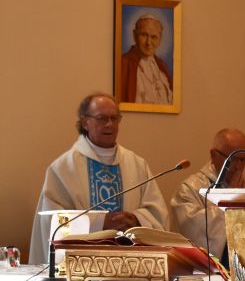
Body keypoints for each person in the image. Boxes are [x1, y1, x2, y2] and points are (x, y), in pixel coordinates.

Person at [28, 93, 172, 264]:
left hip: (131, 263)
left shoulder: (137, 164)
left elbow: (158, 214)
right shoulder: (63, 169)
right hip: (80, 266)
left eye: (114, 118)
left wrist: (136, 219)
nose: (109, 124)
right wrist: (99, 223)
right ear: (85, 122)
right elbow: (51, 222)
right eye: (102, 118)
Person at [169, 128, 245, 263]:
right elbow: (192, 230)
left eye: (243, 159)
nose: (238, 166)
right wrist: (231, 198)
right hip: (204, 270)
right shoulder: (189, 188)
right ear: (214, 155)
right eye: (233, 159)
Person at [119, 14, 173, 105]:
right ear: (134, 35)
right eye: (144, 35)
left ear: (160, 39)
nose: (148, 43)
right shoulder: (123, 63)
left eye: (154, 37)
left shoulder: (162, 66)